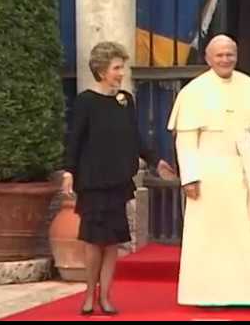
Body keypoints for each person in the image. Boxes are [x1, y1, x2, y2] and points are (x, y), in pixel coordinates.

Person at [167, 34, 250, 307]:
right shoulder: (193, 91)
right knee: (210, 237)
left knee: (243, 235)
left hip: (241, 172)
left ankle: (247, 295)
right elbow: (186, 140)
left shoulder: (247, 84)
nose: (225, 59)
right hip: (208, 175)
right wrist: (190, 178)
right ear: (208, 58)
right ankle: (207, 296)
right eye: (219, 55)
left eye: (230, 54)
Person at [61, 41, 175, 316]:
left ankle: (106, 296)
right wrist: (68, 171)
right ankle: (89, 294)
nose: (121, 72)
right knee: (93, 241)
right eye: (116, 67)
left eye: (121, 67)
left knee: (112, 242)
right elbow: (74, 139)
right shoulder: (86, 100)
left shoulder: (126, 100)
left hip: (118, 181)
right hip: (92, 182)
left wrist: (155, 160)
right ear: (101, 70)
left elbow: (134, 137)